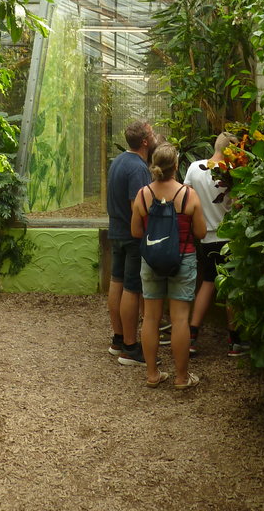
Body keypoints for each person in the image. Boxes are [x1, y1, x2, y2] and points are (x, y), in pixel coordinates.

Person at [130, 141, 206, 390]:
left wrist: (157, 243)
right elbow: (201, 232)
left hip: (151, 261)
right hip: (183, 259)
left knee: (151, 318)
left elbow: (135, 230)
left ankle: (153, 374)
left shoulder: (143, 195)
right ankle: (182, 378)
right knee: (180, 318)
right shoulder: (188, 195)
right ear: (176, 166)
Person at [183, 131, 249, 357]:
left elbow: (186, 196)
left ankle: (192, 337)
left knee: (208, 281)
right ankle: (235, 341)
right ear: (232, 151)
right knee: (229, 286)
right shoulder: (233, 173)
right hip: (228, 238)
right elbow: (239, 205)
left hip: (204, 237)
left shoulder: (194, 168)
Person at [106, 119, 156, 366]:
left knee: (116, 281)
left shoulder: (118, 162)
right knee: (131, 288)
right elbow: (137, 205)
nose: (155, 136)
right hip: (131, 235)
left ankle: (117, 339)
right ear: (145, 141)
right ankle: (129, 347)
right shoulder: (138, 167)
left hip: (116, 231)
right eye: (153, 133)